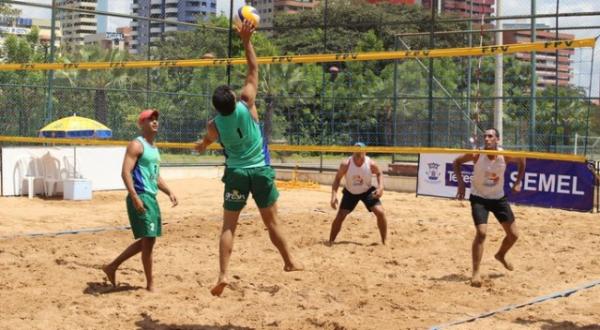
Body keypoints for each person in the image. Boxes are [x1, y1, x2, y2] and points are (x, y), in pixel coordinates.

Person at [194, 21, 303, 297]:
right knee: (272, 221)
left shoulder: (214, 125)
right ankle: (289, 262)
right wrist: (246, 40)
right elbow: (254, 69)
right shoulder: (247, 102)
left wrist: (201, 146)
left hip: (236, 174)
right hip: (260, 171)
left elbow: (206, 142)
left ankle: (222, 274)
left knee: (229, 226)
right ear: (233, 98)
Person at [103, 109, 178, 292]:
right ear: (142, 124)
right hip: (141, 195)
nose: (155, 122)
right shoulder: (137, 145)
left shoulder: (153, 148)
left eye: (156, 119)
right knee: (149, 240)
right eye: (150, 119)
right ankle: (150, 284)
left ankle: (112, 266)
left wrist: (169, 191)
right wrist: (135, 197)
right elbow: (125, 172)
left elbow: (155, 176)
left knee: (148, 241)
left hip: (150, 197)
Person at [453, 128, 525, 287]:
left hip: (498, 198)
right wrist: (461, 184)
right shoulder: (477, 154)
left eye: (490, 136)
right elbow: (456, 162)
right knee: (481, 233)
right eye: (485, 136)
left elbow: (523, 160)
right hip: (479, 197)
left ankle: (500, 255)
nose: (487, 139)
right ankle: (476, 273)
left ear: (497, 140)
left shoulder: (504, 155)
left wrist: (518, 181)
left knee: (514, 235)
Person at [329, 142, 388, 245]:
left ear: (365, 152)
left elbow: (379, 173)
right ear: (353, 151)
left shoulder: (371, 163)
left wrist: (381, 188)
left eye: (360, 151)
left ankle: (384, 242)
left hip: (367, 191)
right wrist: (333, 196)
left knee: (381, 213)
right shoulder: (346, 164)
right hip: (350, 192)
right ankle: (330, 241)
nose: (358, 153)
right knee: (340, 216)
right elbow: (337, 179)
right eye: (356, 150)